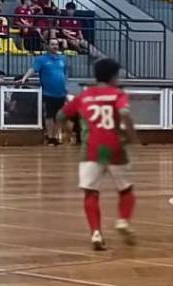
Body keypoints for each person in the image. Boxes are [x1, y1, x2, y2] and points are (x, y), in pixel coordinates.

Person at [61, 57, 138, 251]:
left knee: (91, 192)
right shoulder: (117, 94)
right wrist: (131, 135)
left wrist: (68, 133)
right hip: (114, 147)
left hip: (92, 149)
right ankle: (123, 221)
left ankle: (96, 232)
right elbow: (126, 114)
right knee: (126, 189)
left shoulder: (84, 95)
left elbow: (61, 115)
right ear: (113, 76)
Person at [21, 36, 70, 146]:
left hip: (61, 93)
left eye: (56, 44)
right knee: (49, 116)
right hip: (48, 93)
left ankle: (57, 136)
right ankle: (50, 137)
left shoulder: (63, 59)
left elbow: (65, 73)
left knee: (59, 116)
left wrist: (66, 86)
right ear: (48, 46)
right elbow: (33, 69)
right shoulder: (41, 59)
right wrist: (24, 78)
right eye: (52, 44)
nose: (55, 46)